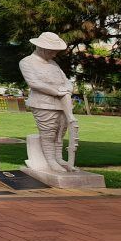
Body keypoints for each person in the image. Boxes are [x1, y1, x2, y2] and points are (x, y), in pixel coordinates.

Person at [18, 32, 77, 173]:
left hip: (62, 103)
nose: (55, 55)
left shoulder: (53, 63)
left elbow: (65, 80)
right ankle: (50, 161)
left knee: (60, 132)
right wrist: (56, 91)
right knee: (48, 132)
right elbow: (34, 83)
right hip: (43, 103)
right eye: (52, 51)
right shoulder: (26, 62)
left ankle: (58, 157)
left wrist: (68, 88)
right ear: (42, 48)